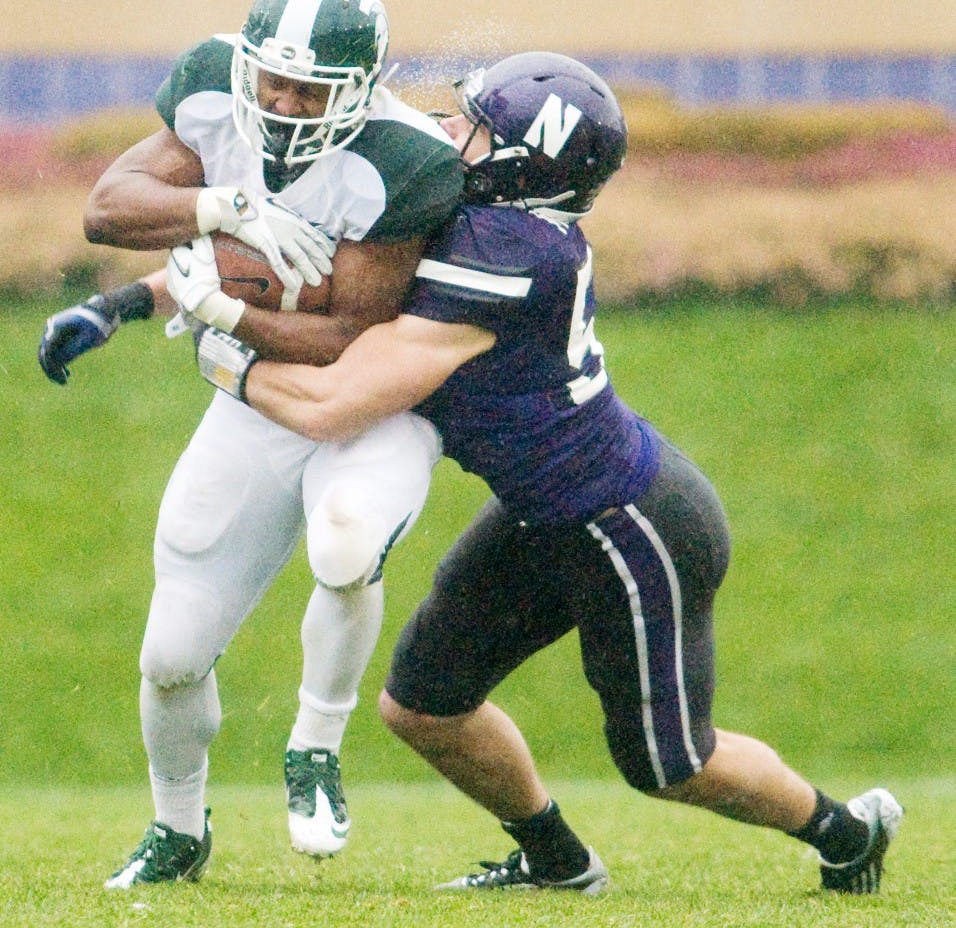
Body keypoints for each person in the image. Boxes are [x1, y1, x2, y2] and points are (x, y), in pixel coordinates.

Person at [192, 51, 903, 897]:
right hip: (545, 511)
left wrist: (221, 343)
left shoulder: (504, 250)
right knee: (423, 706)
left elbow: (333, 404)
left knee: (670, 764)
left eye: (476, 125)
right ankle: (557, 862)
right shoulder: (497, 226)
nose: (452, 132)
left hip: (630, 522)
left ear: (521, 160)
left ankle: (845, 830)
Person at [37, 0, 462, 888]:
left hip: (364, 413)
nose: (281, 98)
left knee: (346, 548)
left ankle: (314, 746)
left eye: (307, 86)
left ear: (361, 88)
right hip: (252, 410)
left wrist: (224, 315)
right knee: (171, 654)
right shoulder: (210, 94)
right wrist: (220, 207)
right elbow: (107, 210)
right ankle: (177, 831)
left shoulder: (403, 160)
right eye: (271, 76)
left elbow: (347, 337)